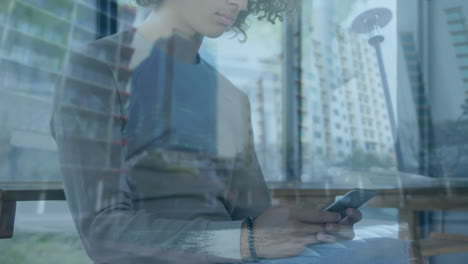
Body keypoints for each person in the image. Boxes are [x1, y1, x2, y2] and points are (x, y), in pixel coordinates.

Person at [51, 0, 420, 263]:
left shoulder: (229, 98)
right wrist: (248, 241)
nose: (240, 4)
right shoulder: (97, 69)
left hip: (239, 256)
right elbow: (103, 233)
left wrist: (309, 227)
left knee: (391, 245)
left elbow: (253, 213)